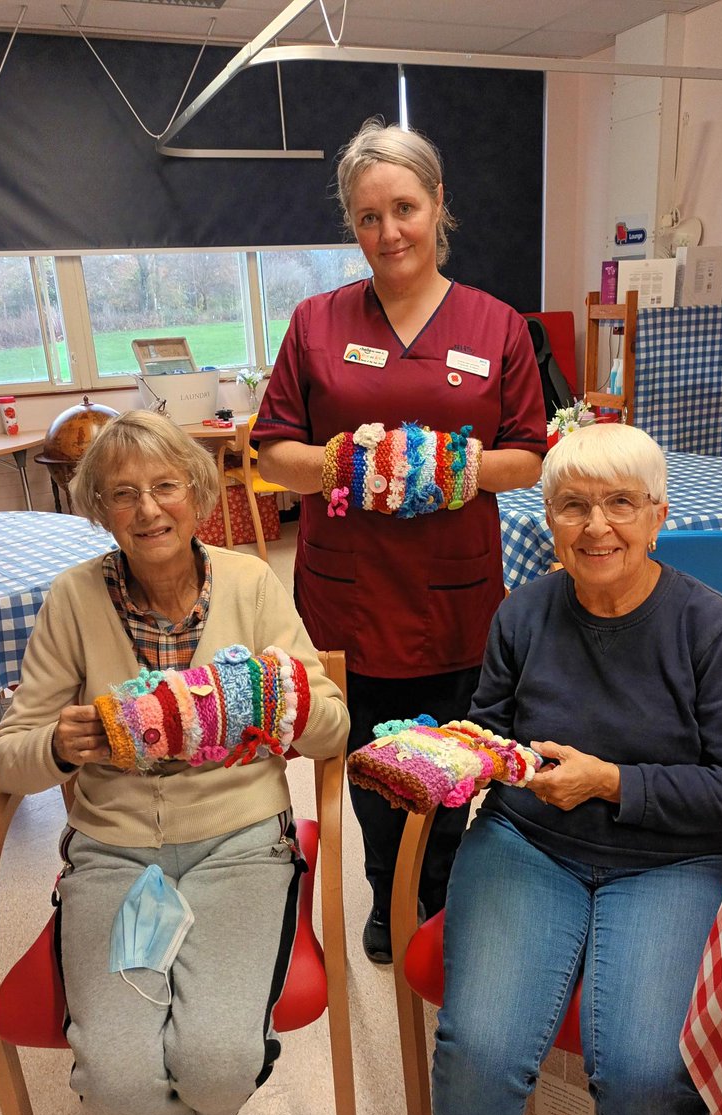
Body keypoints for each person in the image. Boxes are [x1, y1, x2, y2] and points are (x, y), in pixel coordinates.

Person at [0, 411, 349, 1115]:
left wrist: (278, 697)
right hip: (115, 856)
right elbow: (6, 754)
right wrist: (59, 744)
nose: (148, 510)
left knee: (216, 1064)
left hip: (241, 844)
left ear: (200, 496)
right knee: (115, 1076)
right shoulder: (74, 599)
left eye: (165, 487)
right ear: (99, 511)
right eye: (123, 495)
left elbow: (331, 726)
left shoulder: (251, 584)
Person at [425, 422, 722, 1115]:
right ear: (546, 520)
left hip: (674, 857)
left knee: (647, 1071)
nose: (596, 527)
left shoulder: (710, 626)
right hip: (530, 840)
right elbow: (492, 728)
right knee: (478, 1049)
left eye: (621, 503)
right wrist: (450, 754)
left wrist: (614, 782)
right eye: (573, 506)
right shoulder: (521, 612)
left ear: (658, 515)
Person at [253, 117, 546, 962]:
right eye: (368, 216)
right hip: (350, 591)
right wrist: (354, 462)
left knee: (455, 755)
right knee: (372, 758)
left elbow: (528, 457)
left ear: (439, 204)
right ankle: (389, 891)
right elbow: (274, 453)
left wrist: (443, 469)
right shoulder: (314, 322)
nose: (389, 232)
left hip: (456, 592)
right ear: (352, 223)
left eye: (405, 208)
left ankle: (447, 888)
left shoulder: (497, 327)